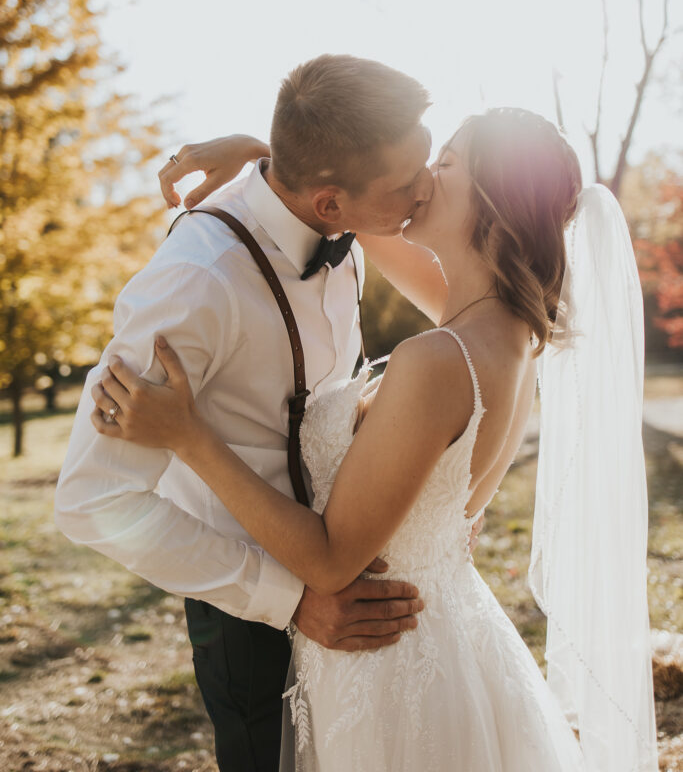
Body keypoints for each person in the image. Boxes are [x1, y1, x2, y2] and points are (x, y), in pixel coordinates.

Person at [89, 107, 659, 771]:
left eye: (445, 164)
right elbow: (354, 210)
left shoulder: (440, 359)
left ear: (492, 210)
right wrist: (267, 158)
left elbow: (331, 562)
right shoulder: (507, 325)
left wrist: (189, 437)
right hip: (442, 633)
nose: (421, 178)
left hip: (388, 664)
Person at [55, 54, 448, 772]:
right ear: (329, 202)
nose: (427, 193)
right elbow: (92, 498)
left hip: (364, 574)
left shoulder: (346, 218)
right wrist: (291, 600)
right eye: (405, 183)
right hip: (251, 614)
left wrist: (265, 155)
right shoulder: (192, 286)